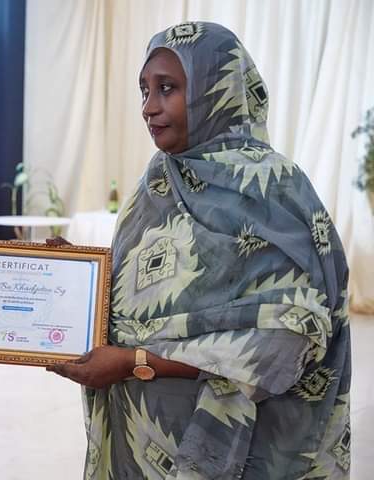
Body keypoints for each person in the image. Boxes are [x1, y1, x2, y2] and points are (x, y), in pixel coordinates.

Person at [48, 22, 350, 479]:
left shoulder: (273, 187)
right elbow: (146, 290)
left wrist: (135, 362)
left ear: (217, 92)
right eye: (144, 90)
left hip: (240, 445)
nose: (149, 108)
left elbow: (288, 337)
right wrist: (79, 274)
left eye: (167, 88)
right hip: (141, 437)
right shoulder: (157, 180)